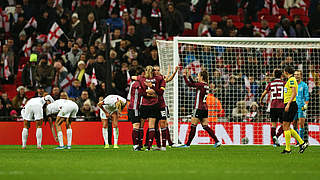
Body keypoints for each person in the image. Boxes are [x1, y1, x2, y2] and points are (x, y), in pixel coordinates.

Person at [180, 69, 221, 148]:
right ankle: (217, 141)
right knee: (205, 126)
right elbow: (194, 83)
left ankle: (187, 144)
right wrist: (189, 76)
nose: (197, 77)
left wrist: (184, 76)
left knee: (193, 126)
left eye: (198, 76)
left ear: (201, 77)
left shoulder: (200, 85)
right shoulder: (206, 85)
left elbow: (189, 84)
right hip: (205, 108)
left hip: (198, 108)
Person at [281, 66, 308, 154]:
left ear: (286, 72)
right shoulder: (290, 80)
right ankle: (302, 143)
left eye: (284, 71)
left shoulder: (291, 79)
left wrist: (288, 103)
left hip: (291, 104)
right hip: (290, 104)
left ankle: (288, 149)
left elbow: (294, 92)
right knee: (286, 126)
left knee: (285, 126)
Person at [260, 69, 285, 147]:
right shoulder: (284, 83)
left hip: (273, 107)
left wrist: (261, 101)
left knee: (273, 125)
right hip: (282, 106)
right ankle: (276, 137)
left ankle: (274, 141)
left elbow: (263, 94)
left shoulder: (271, 84)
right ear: (281, 75)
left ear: (274, 75)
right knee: (284, 125)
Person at [127, 67, 143, 151]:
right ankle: (135, 145)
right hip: (134, 107)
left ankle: (139, 145)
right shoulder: (137, 84)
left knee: (139, 126)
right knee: (136, 125)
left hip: (138, 107)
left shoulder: (134, 83)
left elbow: (129, 97)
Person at [294, 70, 309, 143]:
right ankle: (297, 141)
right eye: (295, 74)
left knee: (301, 123)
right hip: (293, 106)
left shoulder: (304, 85)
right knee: (294, 124)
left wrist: (306, 104)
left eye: (298, 74)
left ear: (301, 76)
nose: (296, 76)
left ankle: (301, 141)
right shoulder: (292, 85)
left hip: (301, 106)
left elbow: (306, 96)